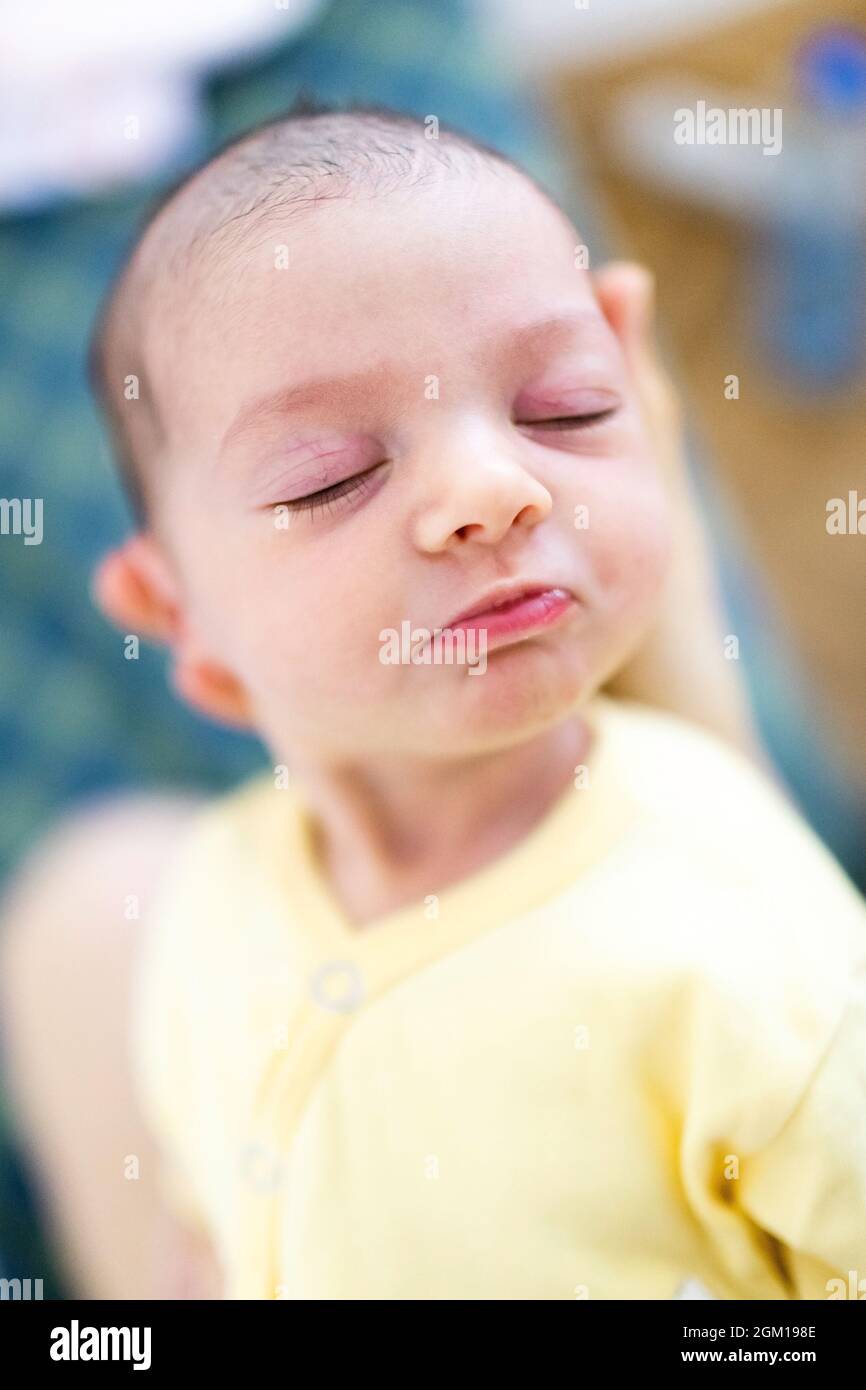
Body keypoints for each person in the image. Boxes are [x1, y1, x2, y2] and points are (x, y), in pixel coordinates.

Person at [4, 105, 863, 1300]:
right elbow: (219, 1220)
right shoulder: (200, 906)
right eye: (334, 476)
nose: (495, 486)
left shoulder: (745, 949)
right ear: (178, 619)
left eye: (567, 408)